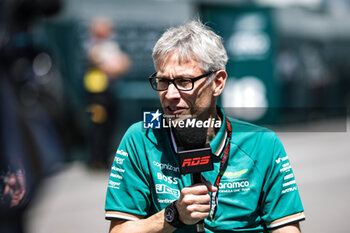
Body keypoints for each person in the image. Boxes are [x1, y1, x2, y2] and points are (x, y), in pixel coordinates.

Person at [104, 20, 305, 232]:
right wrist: (174, 215)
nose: (170, 95)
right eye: (163, 82)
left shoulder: (263, 143)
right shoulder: (141, 137)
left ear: (217, 83)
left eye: (184, 82)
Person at [84, 17, 130, 169]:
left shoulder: (111, 45)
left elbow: (125, 63)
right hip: (97, 93)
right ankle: (97, 160)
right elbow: (109, 66)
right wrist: (115, 65)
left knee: (110, 125)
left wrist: (117, 65)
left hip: (110, 91)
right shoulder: (91, 45)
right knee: (98, 127)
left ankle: (105, 158)